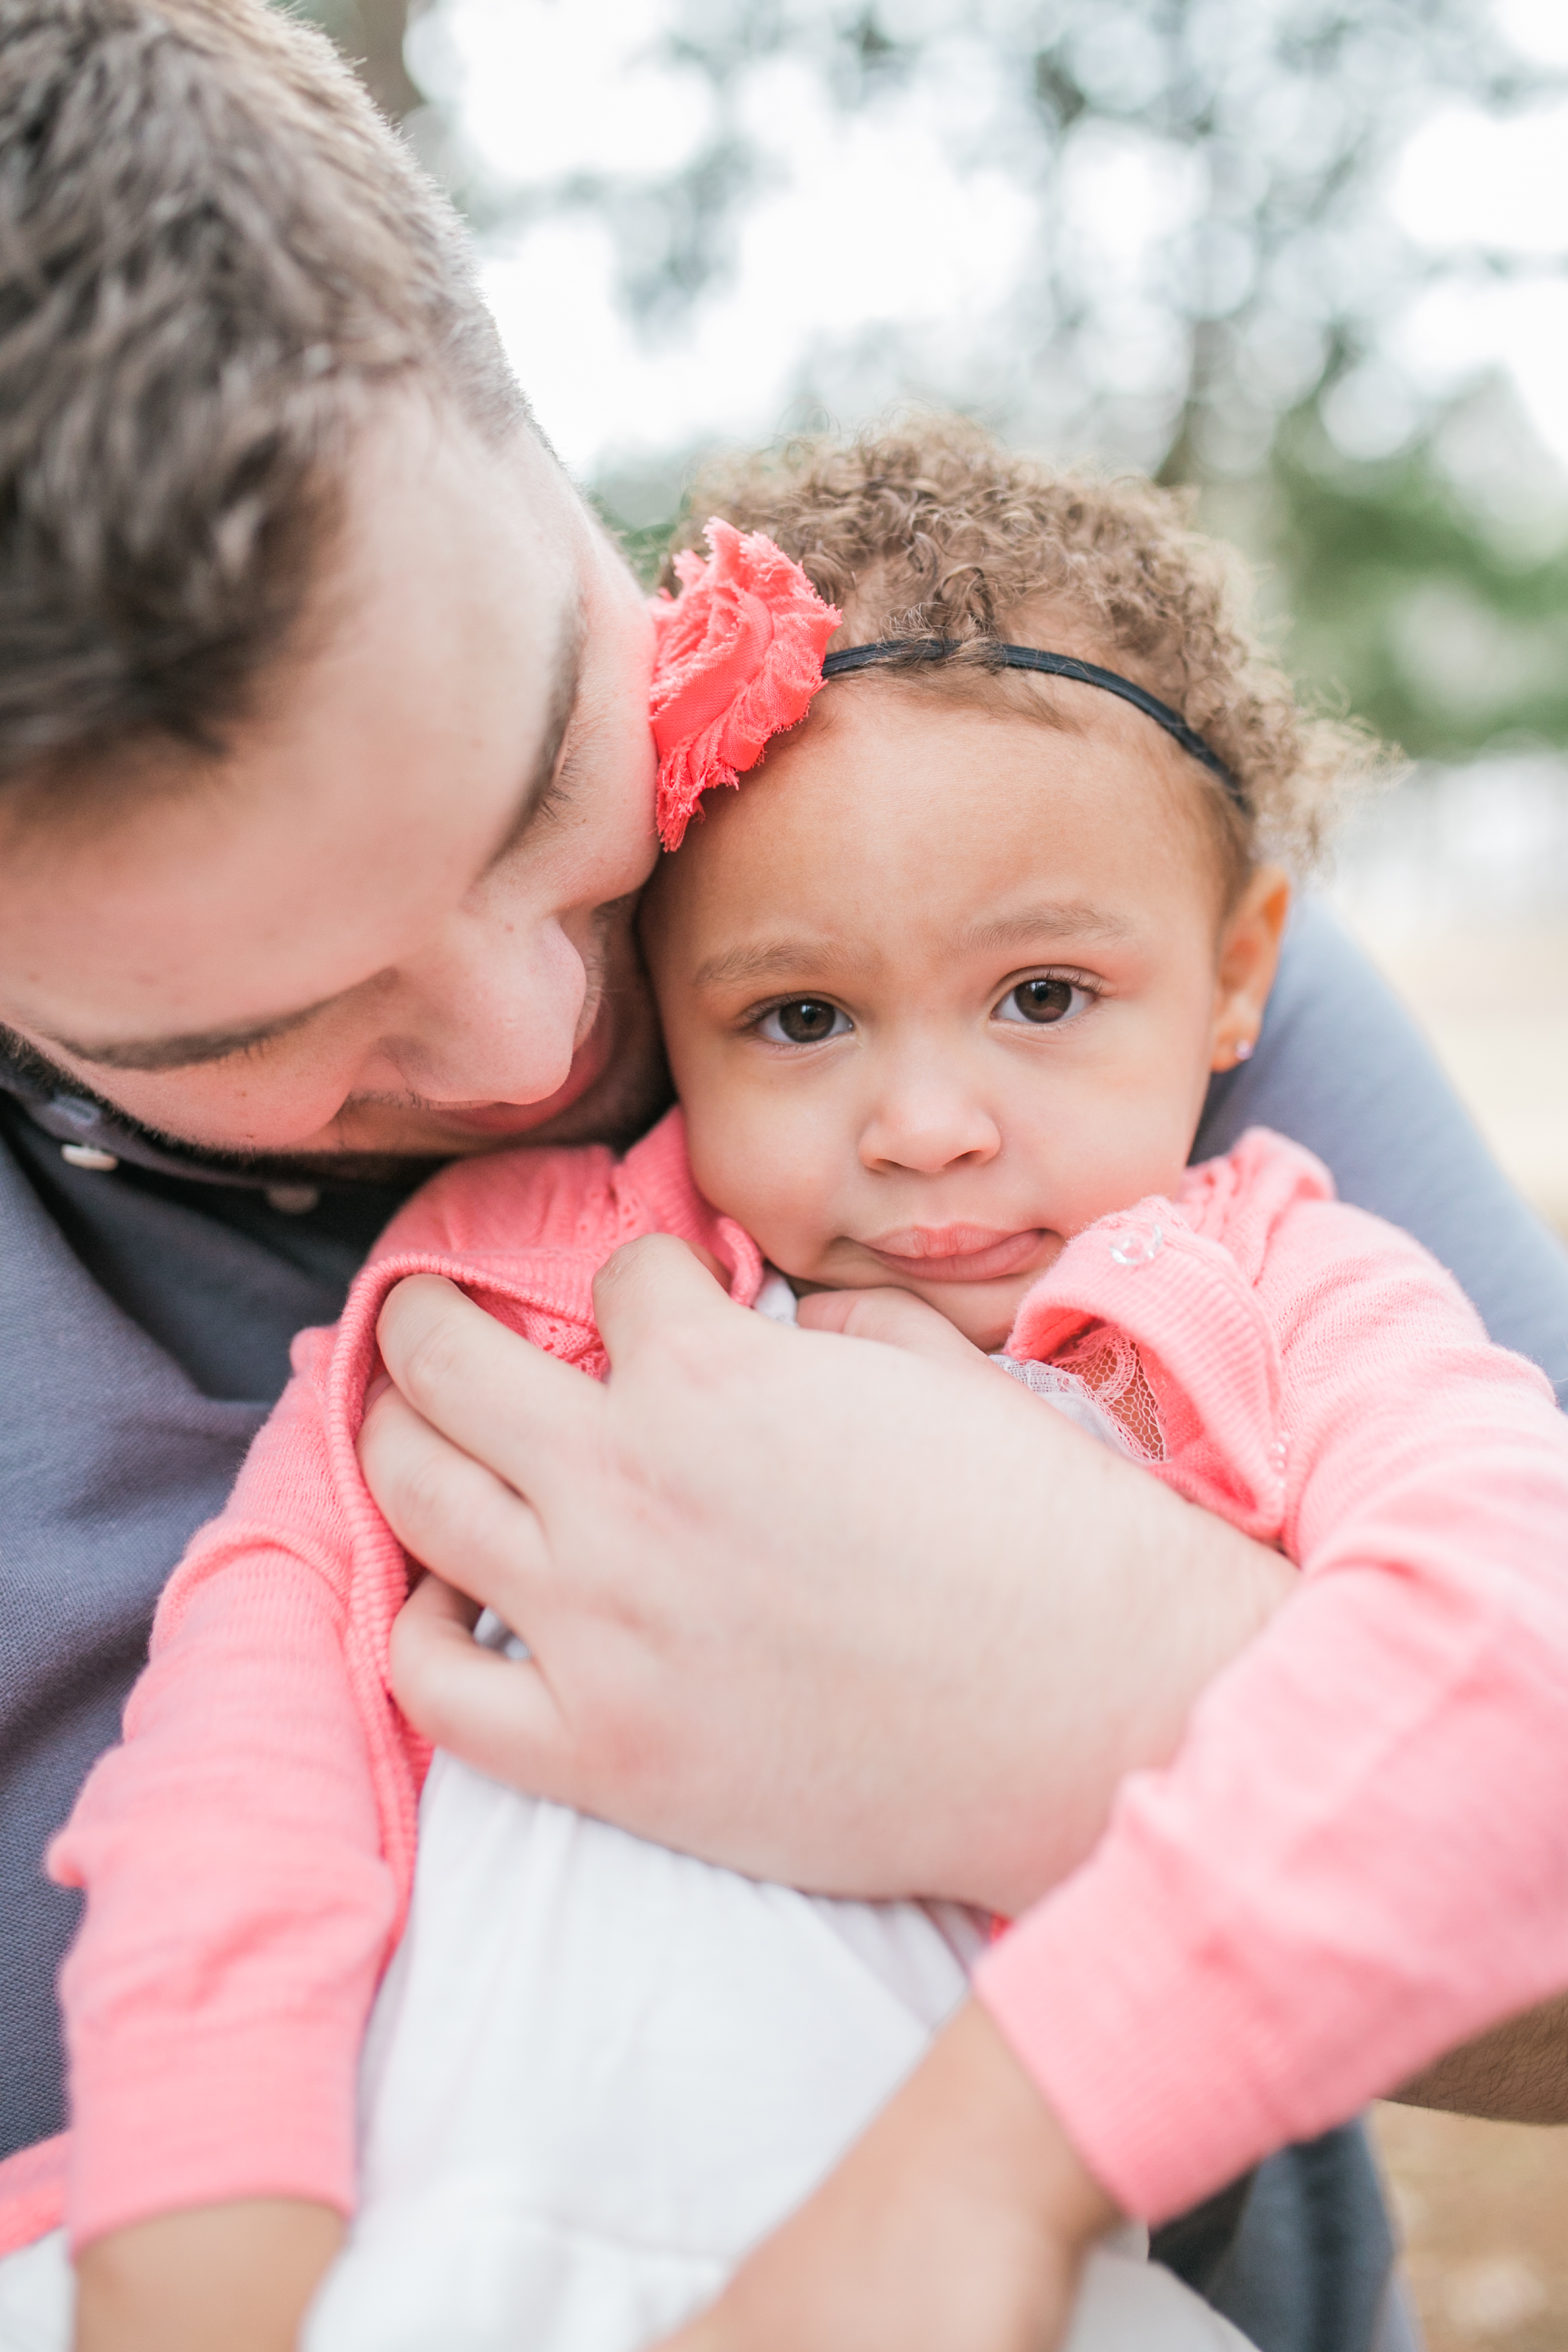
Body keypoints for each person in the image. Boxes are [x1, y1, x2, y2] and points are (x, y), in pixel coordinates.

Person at [1, 6, 1566, 2350]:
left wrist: (1106, 1701)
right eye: (257, 1034)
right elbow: (253, 1753)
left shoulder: (1036, 888)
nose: (547, 1049)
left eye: (547, 779)